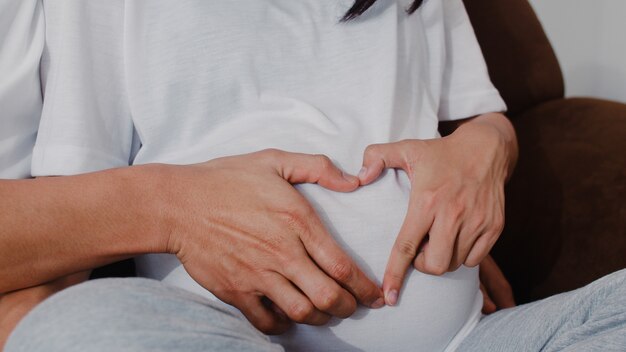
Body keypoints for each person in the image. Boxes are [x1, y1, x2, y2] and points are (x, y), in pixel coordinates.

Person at [1, 0, 624, 351]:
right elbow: (76, 220)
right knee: (76, 333)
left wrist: (486, 147)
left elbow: (483, 120)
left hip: (467, 342)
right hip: (227, 335)